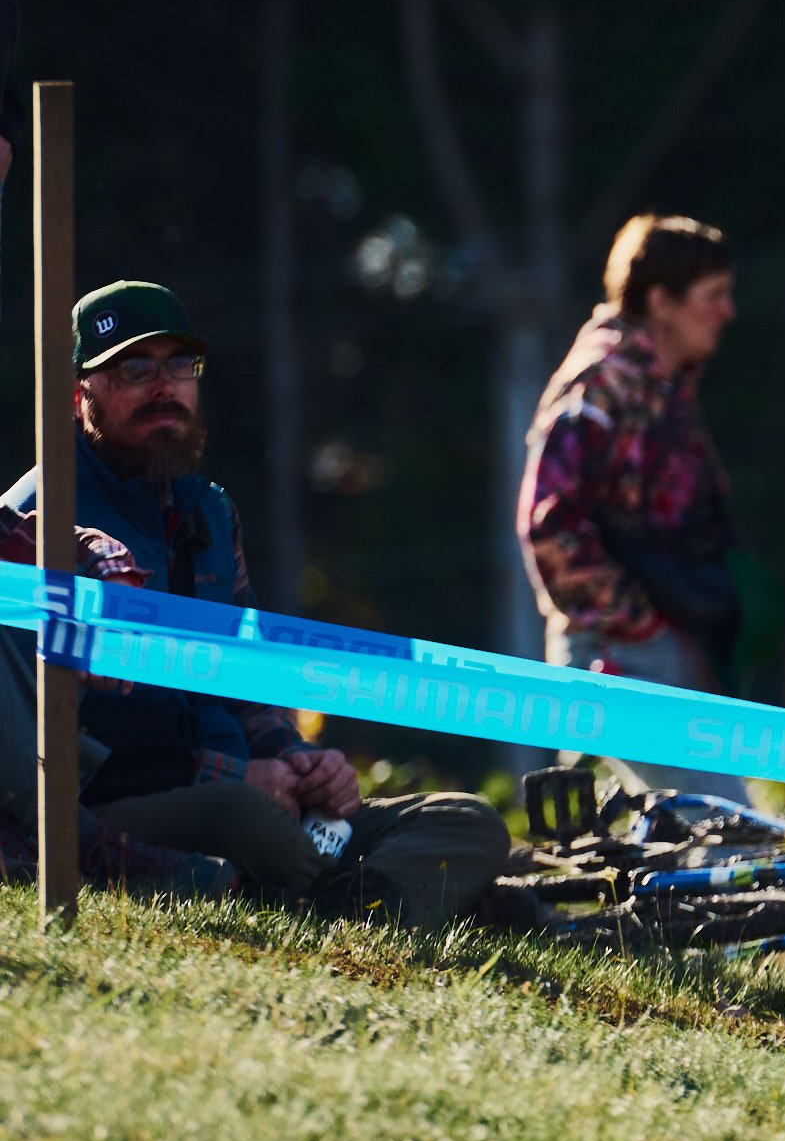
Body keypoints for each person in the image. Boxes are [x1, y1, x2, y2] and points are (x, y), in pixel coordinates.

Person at [2, 281, 505, 921]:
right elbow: (47, 740)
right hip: (116, 815)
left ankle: (350, 900)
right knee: (244, 817)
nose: (165, 388)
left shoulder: (210, 511)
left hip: (251, 796)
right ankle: (387, 899)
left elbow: (248, 681)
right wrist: (229, 776)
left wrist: (301, 763)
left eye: (180, 366)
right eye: (136, 369)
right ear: (81, 396)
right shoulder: (40, 522)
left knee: (467, 820)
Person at [518, 215, 745, 800]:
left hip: (654, 643)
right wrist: (637, 625)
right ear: (660, 301)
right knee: (727, 826)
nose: (728, 312)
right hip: (616, 651)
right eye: (713, 295)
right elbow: (550, 525)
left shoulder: (661, 385)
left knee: (677, 837)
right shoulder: (602, 383)